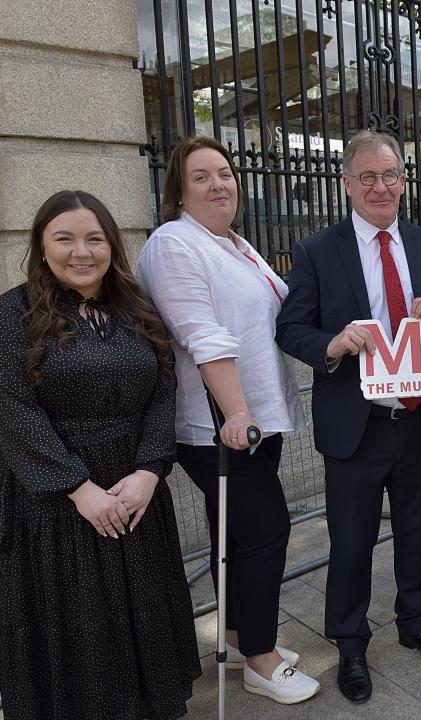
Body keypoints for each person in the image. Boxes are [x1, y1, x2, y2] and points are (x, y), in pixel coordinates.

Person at [275, 130, 421, 704]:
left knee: (417, 530)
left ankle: (416, 623)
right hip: (355, 424)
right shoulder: (315, 251)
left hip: (419, 416)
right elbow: (290, 328)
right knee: (351, 540)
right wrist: (333, 344)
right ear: (348, 184)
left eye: (391, 176)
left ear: (404, 182)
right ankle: (350, 645)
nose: (381, 187)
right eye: (368, 177)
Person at [0, 191, 201, 719]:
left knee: (143, 616)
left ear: (111, 244)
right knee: (79, 622)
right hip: (58, 499)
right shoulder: (11, 313)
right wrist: (78, 488)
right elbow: (13, 408)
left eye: (94, 238)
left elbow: (163, 390)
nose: (81, 251)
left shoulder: (134, 309)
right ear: (42, 247)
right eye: (64, 238)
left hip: (134, 489)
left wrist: (150, 470)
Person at [136, 136, 319, 705]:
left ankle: (240, 639)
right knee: (267, 530)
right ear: (179, 191)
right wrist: (236, 412)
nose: (219, 184)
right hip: (218, 425)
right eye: (201, 177)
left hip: (258, 419)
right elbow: (201, 332)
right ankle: (264, 661)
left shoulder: (236, 244)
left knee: (236, 537)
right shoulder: (174, 244)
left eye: (225, 172)